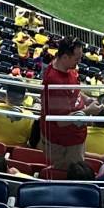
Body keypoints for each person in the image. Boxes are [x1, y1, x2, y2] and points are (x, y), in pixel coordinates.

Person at [39, 34, 88, 176]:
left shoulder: (65, 68)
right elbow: (60, 121)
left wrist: (87, 99)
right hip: (65, 144)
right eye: (76, 58)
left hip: (73, 138)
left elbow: (73, 91)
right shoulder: (54, 82)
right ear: (65, 57)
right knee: (68, 175)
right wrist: (88, 111)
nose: (79, 62)